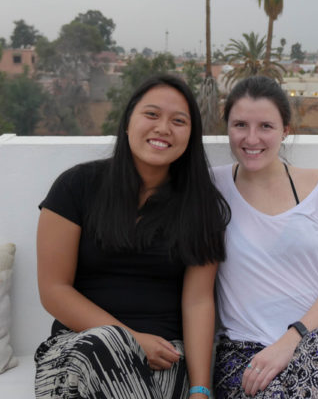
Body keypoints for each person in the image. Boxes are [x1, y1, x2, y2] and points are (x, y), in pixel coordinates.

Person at [35, 74, 231, 399]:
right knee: (103, 344)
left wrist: (200, 388)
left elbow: (198, 302)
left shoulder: (201, 206)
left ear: (191, 136)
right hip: (79, 348)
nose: (163, 128)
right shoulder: (76, 187)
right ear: (127, 122)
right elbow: (54, 290)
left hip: (165, 357)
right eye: (151, 115)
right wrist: (131, 339)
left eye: (178, 121)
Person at [212, 76, 318, 399]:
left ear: (286, 130)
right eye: (240, 125)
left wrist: (292, 341)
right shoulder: (212, 189)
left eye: (265, 126)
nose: (251, 138)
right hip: (246, 354)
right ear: (227, 128)